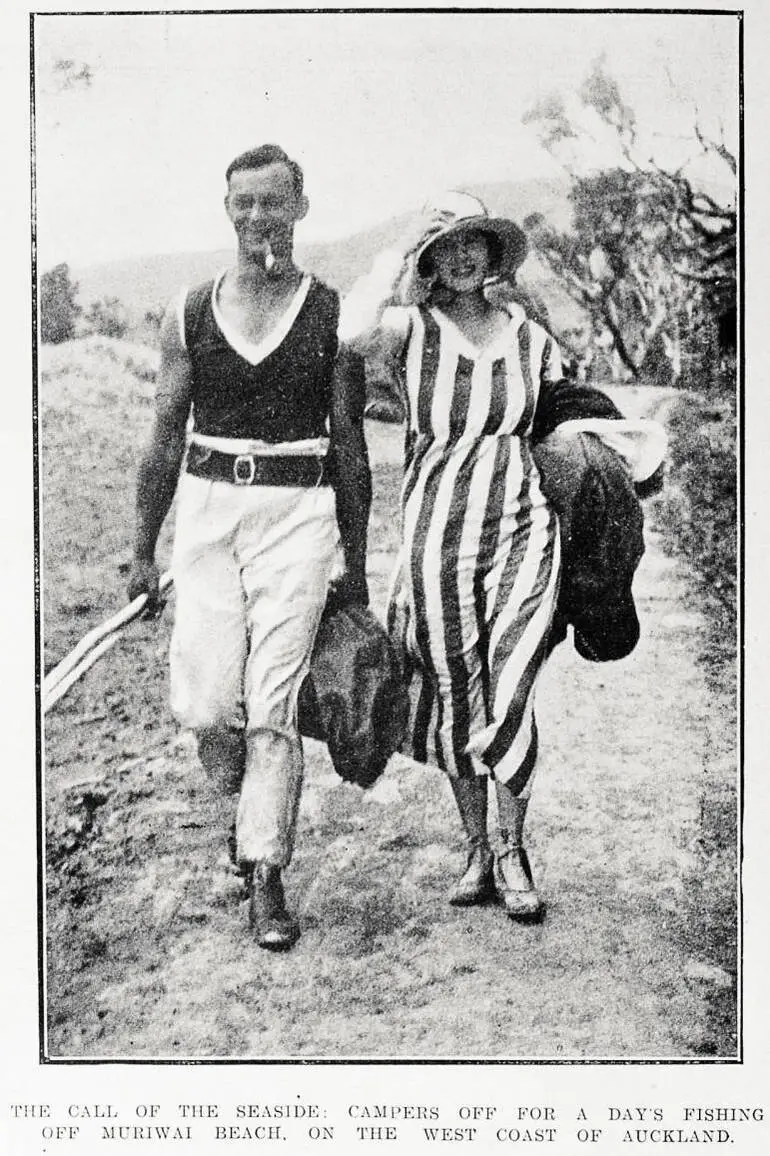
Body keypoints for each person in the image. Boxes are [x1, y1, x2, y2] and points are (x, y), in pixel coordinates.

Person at [339, 190, 663, 923]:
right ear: (430, 256)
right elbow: (350, 327)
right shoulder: (407, 329)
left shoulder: (528, 335)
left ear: (491, 255)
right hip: (435, 526)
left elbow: (566, 420)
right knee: (456, 688)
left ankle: (514, 848)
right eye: (445, 244)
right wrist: (398, 252)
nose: (460, 255)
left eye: (472, 242)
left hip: (520, 519)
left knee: (511, 681)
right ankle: (477, 847)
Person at [127, 144, 371, 951]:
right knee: (205, 704)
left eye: (273, 203)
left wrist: (357, 565)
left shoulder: (335, 316)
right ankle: (245, 820)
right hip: (206, 510)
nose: (258, 218)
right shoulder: (191, 310)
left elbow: (350, 448)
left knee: (272, 703)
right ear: (226, 209)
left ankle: (265, 872)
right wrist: (140, 549)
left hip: (298, 515)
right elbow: (164, 438)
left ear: (301, 208)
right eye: (244, 204)